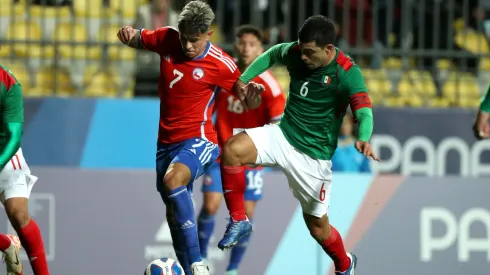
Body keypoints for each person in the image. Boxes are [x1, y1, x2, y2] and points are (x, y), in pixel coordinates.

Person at [216, 15, 380, 275]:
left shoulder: (346, 72)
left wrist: (364, 136)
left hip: (313, 158)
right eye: (301, 50)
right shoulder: (296, 51)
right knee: (232, 149)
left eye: (310, 52)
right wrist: (244, 79)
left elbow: (364, 110)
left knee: (317, 227)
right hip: (283, 135)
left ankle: (344, 264)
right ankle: (238, 219)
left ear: (328, 50)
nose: (303, 56)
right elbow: (271, 55)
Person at [116, 1, 263, 274]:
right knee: (174, 213)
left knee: (173, 180)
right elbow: (139, 38)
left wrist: (252, 99)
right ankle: (189, 268)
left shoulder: (222, 64)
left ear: (208, 34)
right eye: (184, 38)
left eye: (194, 40)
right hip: (165, 145)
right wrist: (128, 34)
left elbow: (248, 99)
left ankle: (198, 264)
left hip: (201, 140)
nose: (187, 46)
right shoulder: (167, 38)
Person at [197, 25, 285, 275]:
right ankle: (200, 261)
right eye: (242, 43)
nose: (246, 49)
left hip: (251, 157)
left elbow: (277, 124)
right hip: (221, 153)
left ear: (261, 49)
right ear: (236, 45)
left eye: (252, 45)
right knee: (211, 206)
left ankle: (232, 269)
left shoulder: (271, 86)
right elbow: (208, 106)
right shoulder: (225, 73)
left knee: (245, 215)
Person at [0, 64, 50, 275]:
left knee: (18, 214)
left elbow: (14, 136)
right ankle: (6, 244)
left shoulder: (9, 84)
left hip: (4, 152)